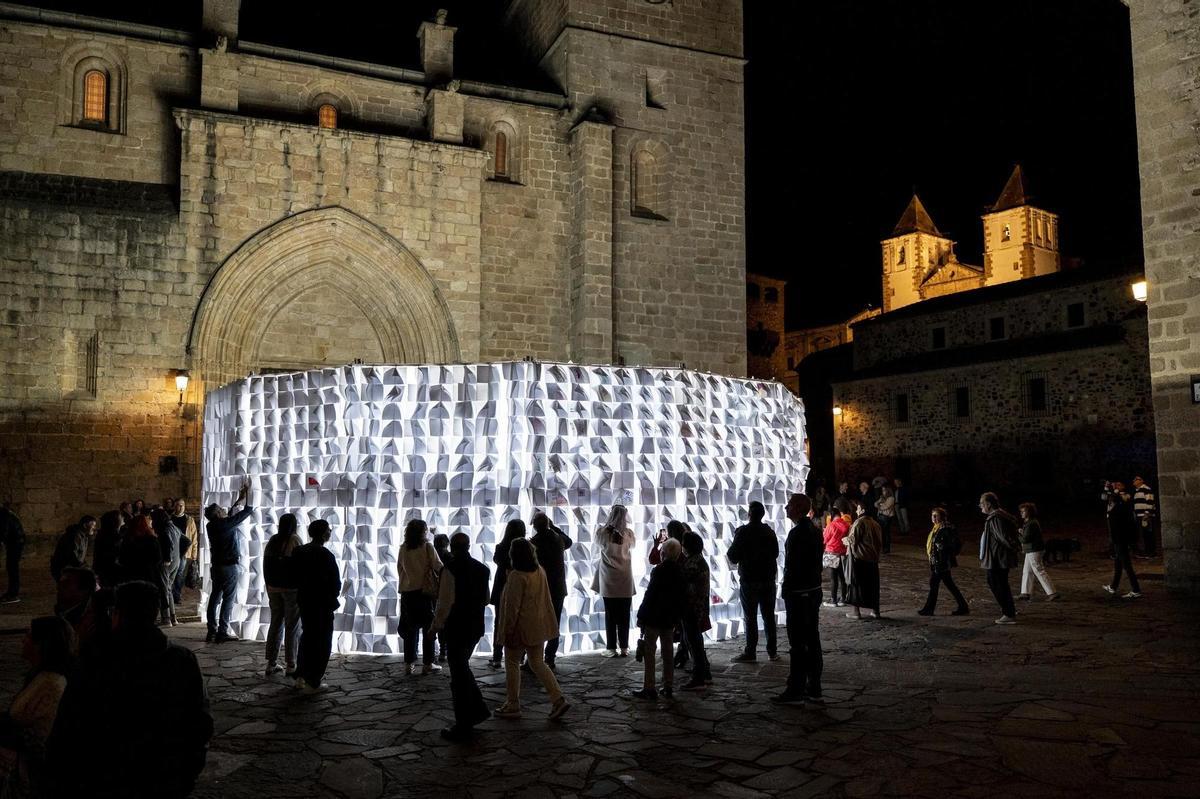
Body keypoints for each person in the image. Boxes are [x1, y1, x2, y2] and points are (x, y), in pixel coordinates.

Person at [45, 580, 213, 798]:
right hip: (164, 777)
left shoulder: (98, 664)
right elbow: (199, 722)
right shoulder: (181, 661)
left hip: (107, 779)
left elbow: (70, 725)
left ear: (116, 614)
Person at [494, 538, 570, 721]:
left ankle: (512, 703)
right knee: (537, 662)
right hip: (538, 625)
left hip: (520, 628)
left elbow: (512, 607)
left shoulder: (516, 576)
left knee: (512, 663)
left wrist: (508, 630)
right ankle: (557, 698)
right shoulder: (539, 571)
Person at [0, 615, 75, 798]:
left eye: (29, 635)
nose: (23, 640)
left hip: (30, 766)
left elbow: (19, 723)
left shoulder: (50, 683)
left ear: (41, 645)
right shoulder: (44, 677)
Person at [430, 532, 492, 741]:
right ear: (468, 546)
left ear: (452, 548)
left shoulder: (450, 570)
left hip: (456, 627)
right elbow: (486, 599)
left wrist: (435, 627)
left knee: (458, 675)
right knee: (462, 669)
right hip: (475, 627)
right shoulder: (483, 570)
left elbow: (444, 602)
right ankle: (477, 710)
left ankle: (464, 722)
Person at [774, 493, 824, 704]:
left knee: (798, 642)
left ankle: (796, 688)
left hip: (800, 594)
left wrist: (788, 589)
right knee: (812, 639)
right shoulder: (813, 530)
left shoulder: (798, 534)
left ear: (797, 508)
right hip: (812, 590)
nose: (785, 508)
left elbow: (794, 567)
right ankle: (813, 685)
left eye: (789, 505)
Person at [632, 538, 686, 700]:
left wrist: (641, 615)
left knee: (650, 652)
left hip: (654, 617)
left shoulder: (658, 571)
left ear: (663, 554)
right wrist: (677, 618)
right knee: (668, 652)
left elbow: (650, 595)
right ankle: (668, 686)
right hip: (669, 618)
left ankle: (649, 687)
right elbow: (680, 598)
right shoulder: (680, 572)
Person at [727, 501, 780, 662]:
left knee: (750, 617)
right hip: (768, 580)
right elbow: (776, 553)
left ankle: (750, 652)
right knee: (768, 616)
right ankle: (772, 651)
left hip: (750, 580)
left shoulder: (743, 532)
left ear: (749, 514)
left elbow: (732, 556)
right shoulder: (769, 531)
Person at [293, 519, 341, 692]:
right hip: (322, 604)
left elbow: (294, 575)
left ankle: (300, 675)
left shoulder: (299, 551)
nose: (330, 532)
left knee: (307, 637)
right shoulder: (326, 555)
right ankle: (314, 680)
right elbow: (336, 583)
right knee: (322, 642)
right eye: (329, 529)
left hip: (305, 601)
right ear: (323, 534)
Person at [204, 482, 254, 642]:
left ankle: (211, 629)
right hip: (229, 568)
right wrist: (250, 492)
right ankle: (222, 632)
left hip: (216, 567)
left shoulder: (212, 525)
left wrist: (239, 499)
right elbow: (248, 511)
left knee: (214, 598)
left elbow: (230, 516)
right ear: (218, 514)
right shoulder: (224, 524)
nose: (223, 509)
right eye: (221, 509)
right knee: (228, 599)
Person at [397, 518, 442, 674]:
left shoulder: (404, 548)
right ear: (423, 532)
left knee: (410, 630)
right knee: (428, 628)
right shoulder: (427, 547)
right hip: (425, 593)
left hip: (408, 594)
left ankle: (409, 664)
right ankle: (428, 663)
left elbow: (400, 570)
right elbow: (438, 566)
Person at [530, 512, 572, 669]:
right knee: (554, 623)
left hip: (540, 588)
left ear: (535, 526)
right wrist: (554, 527)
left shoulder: (534, 543)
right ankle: (550, 656)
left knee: (537, 622)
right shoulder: (557, 539)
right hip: (558, 588)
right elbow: (570, 541)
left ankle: (535, 657)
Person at [263, 513, 303, 677]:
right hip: (291, 589)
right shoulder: (295, 540)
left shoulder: (273, 540)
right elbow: (301, 564)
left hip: (273, 588)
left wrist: (268, 585)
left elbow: (265, 564)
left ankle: (271, 663)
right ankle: (291, 664)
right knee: (292, 626)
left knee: (275, 623)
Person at [596, 504, 635, 658]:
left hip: (608, 578)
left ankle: (611, 647)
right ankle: (624, 646)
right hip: (625, 577)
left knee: (610, 615)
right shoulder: (629, 533)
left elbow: (598, 545)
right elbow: (632, 547)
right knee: (625, 614)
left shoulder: (602, 533)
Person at [488, 519, 527, 668]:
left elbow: (498, 561)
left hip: (501, 588)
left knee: (499, 622)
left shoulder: (501, 547)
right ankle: (520, 657)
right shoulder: (526, 548)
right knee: (520, 622)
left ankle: (497, 657)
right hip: (520, 588)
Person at [917, 508, 969, 616]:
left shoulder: (947, 529)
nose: (934, 518)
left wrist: (944, 548)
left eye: (936, 516)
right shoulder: (936, 529)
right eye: (932, 516)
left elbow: (956, 545)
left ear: (942, 517)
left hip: (942, 562)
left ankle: (929, 609)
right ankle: (963, 606)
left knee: (934, 584)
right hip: (937, 561)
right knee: (949, 584)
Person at [978, 492, 1021, 624]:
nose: (980, 506)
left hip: (997, 558)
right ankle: (1009, 610)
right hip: (1000, 557)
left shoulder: (995, 518)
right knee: (1000, 583)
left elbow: (1003, 537)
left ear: (989, 504)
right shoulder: (1001, 515)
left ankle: (1008, 613)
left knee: (996, 583)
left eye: (982, 503)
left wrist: (1015, 546)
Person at [679, 531, 713, 691]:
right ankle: (704, 673)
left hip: (691, 607)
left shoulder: (692, 563)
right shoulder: (699, 560)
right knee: (694, 640)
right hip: (698, 607)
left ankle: (698, 677)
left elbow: (683, 583)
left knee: (693, 641)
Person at [844, 501, 883, 620]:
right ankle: (875, 611)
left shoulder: (859, 522)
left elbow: (852, 540)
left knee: (857, 585)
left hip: (860, 559)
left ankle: (856, 612)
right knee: (873, 586)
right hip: (873, 559)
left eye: (858, 509)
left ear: (863, 510)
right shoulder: (876, 524)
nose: (856, 511)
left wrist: (844, 539)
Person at [1103, 483, 1142, 598]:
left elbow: (1116, 498)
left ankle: (1136, 589)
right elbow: (1104, 497)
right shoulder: (1115, 505)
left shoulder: (1121, 506)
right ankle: (1113, 586)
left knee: (1126, 564)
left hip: (1121, 538)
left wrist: (1114, 491)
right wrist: (1107, 488)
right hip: (1117, 539)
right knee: (1118, 563)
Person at [1016, 503, 1058, 601]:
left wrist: (1018, 535)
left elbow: (1025, 539)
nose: (1021, 513)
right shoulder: (1030, 522)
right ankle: (1025, 592)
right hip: (1032, 549)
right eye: (1021, 511)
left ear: (1029, 512)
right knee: (1027, 571)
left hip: (1034, 550)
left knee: (1038, 570)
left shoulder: (1031, 523)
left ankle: (1052, 592)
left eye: (1023, 511)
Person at [151, 508, 182, 626]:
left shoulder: (164, 529)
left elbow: (167, 542)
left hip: (166, 563)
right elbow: (187, 541)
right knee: (168, 589)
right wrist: (178, 555)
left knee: (163, 589)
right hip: (176, 561)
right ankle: (173, 618)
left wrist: (168, 558)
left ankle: (166, 618)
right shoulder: (174, 527)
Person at [119, 514, 162, 591]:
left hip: (130, 573)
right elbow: (158, 558)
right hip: (148, 573)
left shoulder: (127, 539)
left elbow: (122, 558)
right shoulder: (152, 539)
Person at [822, 499, 852, 607]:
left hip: (832, 553)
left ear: (832, 515)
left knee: (833, 578)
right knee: (842, 577)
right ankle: (843, 598)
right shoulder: (847, 525)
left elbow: (825, 539)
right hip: (843, 553)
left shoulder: (831, 525)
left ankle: (833, 599)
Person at [49, 515, 96, 584]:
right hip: (64, 570)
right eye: (93, 525)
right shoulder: (74, 536)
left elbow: (80, 557)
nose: (94, 528)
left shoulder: (83, 537)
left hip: (71, 570)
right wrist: (87, 569)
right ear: (85, 525)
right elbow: (73, 556)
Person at [171, 499, 199, 604]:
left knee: (180, 574)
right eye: (178, 505)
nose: (181, 507)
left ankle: (176, 596)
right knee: (171, 574)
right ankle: (169, 595)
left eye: (182, 505)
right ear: (175, 506)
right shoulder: (170, 519)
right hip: (172, 551)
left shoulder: (189, 520)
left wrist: (194, 553)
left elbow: (194, 537)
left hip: (184, 551)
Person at [91, 509, 124, 589]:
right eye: (120, 517)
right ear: (115, 520)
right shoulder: (112, 537)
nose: (123, 518)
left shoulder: (104, 534)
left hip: (105, 571)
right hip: (111, 572)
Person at [0, 504, 25, 604]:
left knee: (12, 566)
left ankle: (13, 594)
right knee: (11, 566)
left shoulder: (3, 514)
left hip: (16, 542)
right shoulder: (4, 513)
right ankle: (12, 593)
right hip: (16, 540)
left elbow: (3, 530)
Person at [1131, 476, 1157, 557]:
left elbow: (1150, 501)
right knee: (1142, 534)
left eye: (1136, 479)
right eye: (1134, 479)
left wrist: (1147, 513)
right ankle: (1145, 551)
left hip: (1145, 516)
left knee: (1148, 534)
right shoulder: (1136, 491)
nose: (1134, 481)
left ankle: (1151, 552)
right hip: (1139, 515)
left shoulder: (1146, 489)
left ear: (1141, 481)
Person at [875, 485, 896, 553]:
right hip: (881, 516)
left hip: (887, 517)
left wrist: (879, 505)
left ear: (888, 491)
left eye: (884, 490)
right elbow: (875, 504)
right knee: (882, 533)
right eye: (882, 490)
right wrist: (879, 503)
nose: (883, 492)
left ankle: (887, 548)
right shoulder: (882, 498)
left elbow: (885, 507)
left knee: (886, 533)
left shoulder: (891, 498)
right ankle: (883, 547)